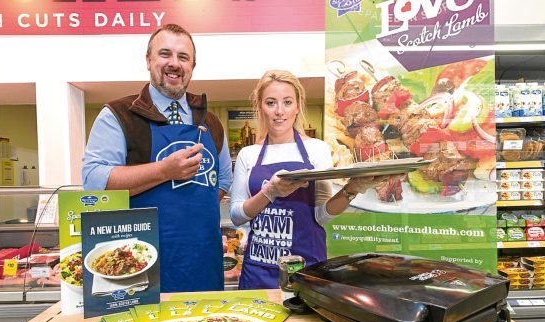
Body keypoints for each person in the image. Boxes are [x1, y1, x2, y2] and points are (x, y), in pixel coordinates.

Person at [82, 24, 233, 292]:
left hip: (202, 264)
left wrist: (189, 213)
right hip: (137, 266)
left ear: (193, 65)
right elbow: (94, 182)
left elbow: (221, 182)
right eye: (165, 54)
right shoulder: (119, 115)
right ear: (149, 60)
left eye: (183, 57)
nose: (174, 64)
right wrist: (164, 171)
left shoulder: (210, 121)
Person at [230, 70, 389, 290]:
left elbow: (320, 216)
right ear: (260, 106)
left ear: (298, 105)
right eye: (270, 103)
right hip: (258, 269)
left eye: (287, 102)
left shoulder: (317, 149)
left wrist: (352, 189)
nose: (279, 111)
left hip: (305, 270)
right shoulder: (248, 154)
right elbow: (237, 215)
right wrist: (270, 193)